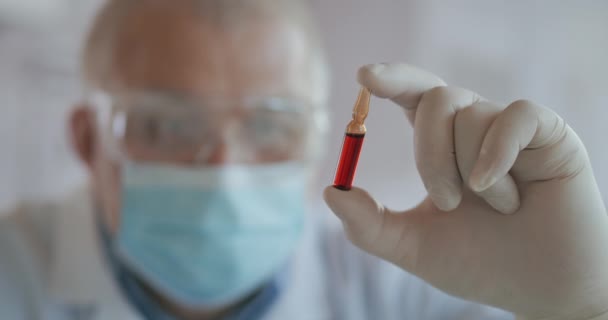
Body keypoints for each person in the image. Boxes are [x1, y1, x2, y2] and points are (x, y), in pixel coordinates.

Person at [1, 0, 607, 319]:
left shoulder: (401, 289)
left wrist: (580, 307)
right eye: (165, 125)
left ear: (319, 143)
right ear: (86, 139)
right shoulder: (13, 275)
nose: (224, 169)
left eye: (272, 125)